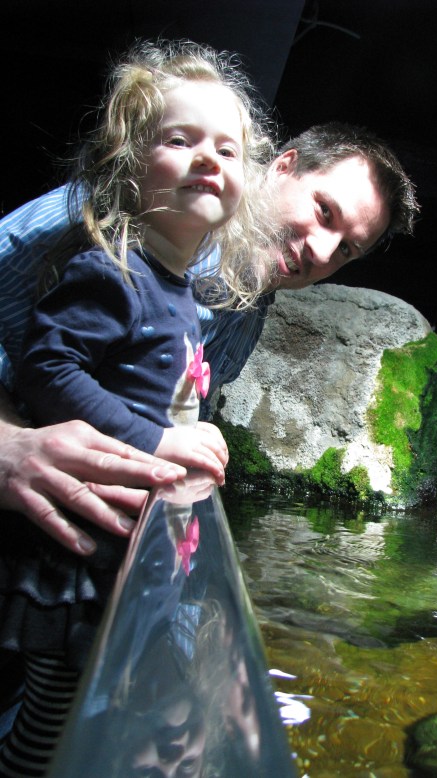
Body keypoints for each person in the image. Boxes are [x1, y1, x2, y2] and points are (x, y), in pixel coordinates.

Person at [0, 38, 277, 776]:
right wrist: (154, 439)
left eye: (227, 147)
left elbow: (161, 385)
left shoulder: (184, 291)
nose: (208, 158)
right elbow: (45, 370)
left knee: (87, 706)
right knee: (54, 717)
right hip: (70, 547)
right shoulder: (113, 269)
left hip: (117, 543)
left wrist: (186, 429)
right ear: (129, 161)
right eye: (179, 140)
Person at [0, 122, 419, 556]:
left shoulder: (248, 315)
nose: (324, 252)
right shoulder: (130, 214)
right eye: (324, 212)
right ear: (283, 167)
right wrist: (8, 443)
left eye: (347, 250)